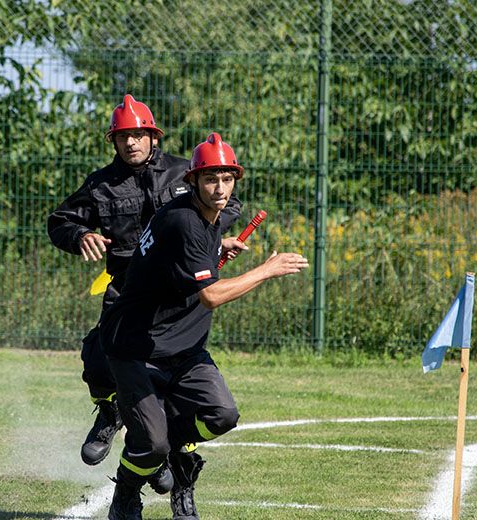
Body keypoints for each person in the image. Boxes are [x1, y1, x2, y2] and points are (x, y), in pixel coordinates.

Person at [99, 133, 309, 520]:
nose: (220, 188)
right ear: (193, 180)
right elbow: (211, 296)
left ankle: (176, 460)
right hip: (135, 348)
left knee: (221, 416)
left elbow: (184, 260)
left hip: (183, 347)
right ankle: (127, 491)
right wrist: (266, 270)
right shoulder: (184, 221)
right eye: (211, 179)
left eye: (227, 179)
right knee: (153, 445)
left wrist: (217, 248)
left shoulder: (204, 216)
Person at [46, 96, 245, 467]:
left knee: (178, 370)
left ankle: (169, 443)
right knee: (101, 353)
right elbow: (59, 222)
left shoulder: (186, 172)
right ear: (114, 141)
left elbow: (228, 205)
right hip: (126, 287)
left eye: (139, 134)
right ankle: (111, 414)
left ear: (154, 137)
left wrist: (213, 240)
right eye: (123, 136)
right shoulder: (101, 184)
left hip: (179, 289)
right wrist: (79, 236)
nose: (131, 143)